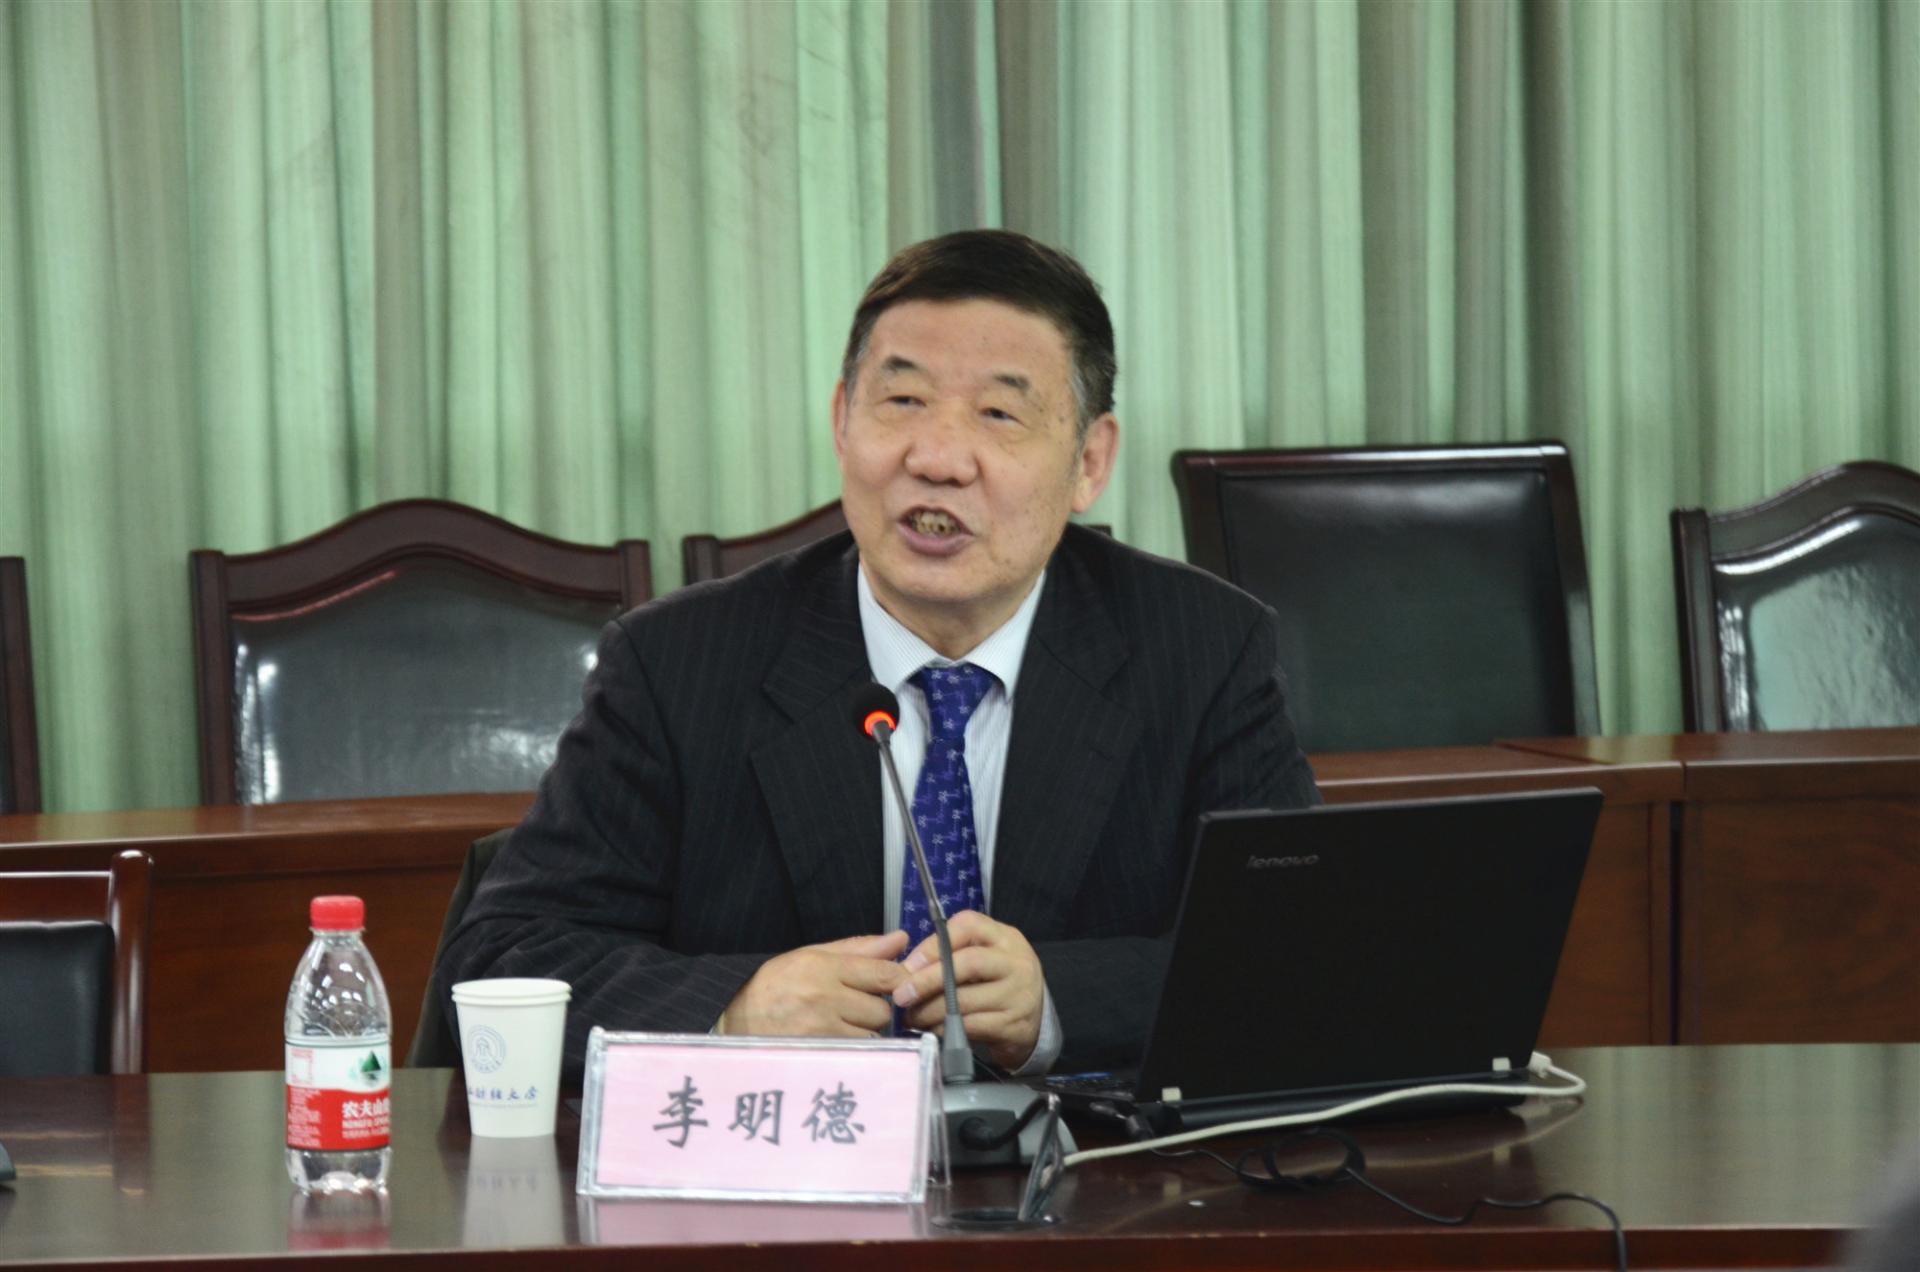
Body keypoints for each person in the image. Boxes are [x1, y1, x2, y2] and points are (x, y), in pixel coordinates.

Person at [433, 229, 1319, 1080]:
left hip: (1087, 1170)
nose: (938, 459)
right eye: (902, 402)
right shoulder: (678, 664)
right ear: (841, 422)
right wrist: (733, 1011)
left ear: (1090, 461)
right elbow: (506, 957)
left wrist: (1059, 1002)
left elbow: (1296, 955)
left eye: (999, 413)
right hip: (783, 1171)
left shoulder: (1203, 651)